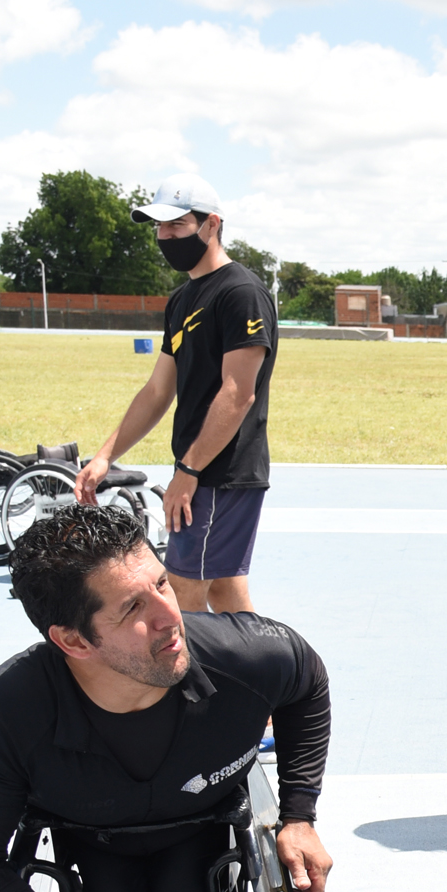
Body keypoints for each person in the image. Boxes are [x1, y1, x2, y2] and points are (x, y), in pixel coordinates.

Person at [0, 505, 334, 892]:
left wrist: (299, 814)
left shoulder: (247, 653)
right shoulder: (4, 718)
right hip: (90, 844)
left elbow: (306, 684)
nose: (171, 616)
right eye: (132, 608)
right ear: (73, 640)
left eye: (163, 584)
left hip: (205, 827)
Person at [77, 173, 278, 615]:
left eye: (177, 225)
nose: (165, 236)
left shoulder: (240, 292)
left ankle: (194, 685)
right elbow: (157, 390)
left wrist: (188, 470)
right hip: (200, 470)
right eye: (159, 227)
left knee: (183, 595)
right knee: (225, 591)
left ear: (212, 225)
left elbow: (238, 392)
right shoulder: (182, 299)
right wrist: (105, 455)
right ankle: (258, 678)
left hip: (219, 473)